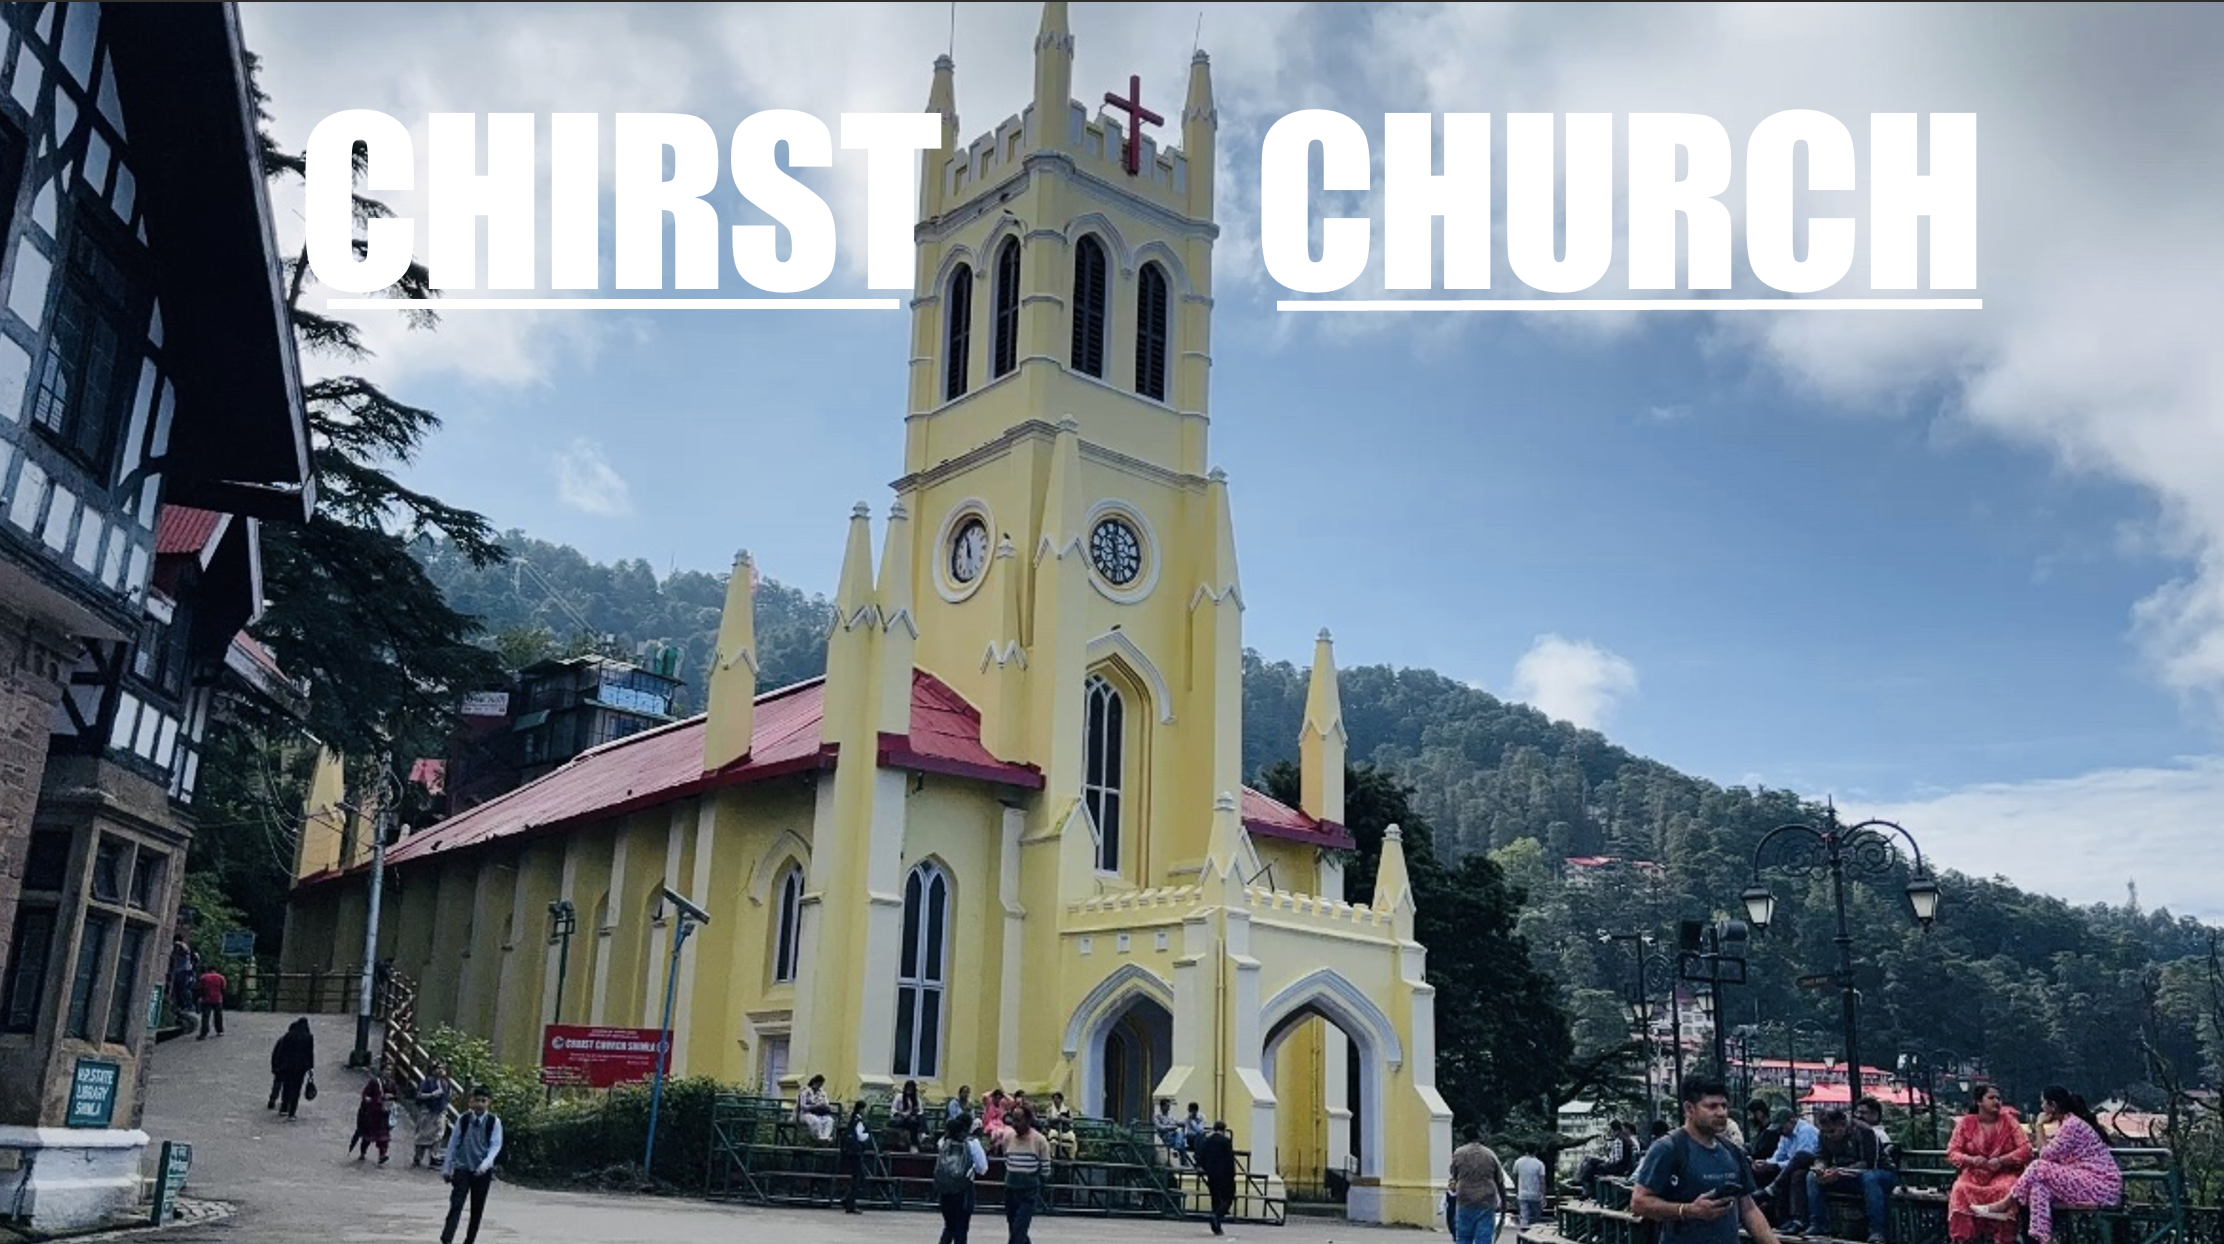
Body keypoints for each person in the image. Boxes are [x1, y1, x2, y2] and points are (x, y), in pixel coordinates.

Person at [1628, 1077, 1785, 1244]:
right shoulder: (1669, 1148)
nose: (1721, 1112)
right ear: (1689, 1109)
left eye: (1724, 1106)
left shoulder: (1732, 1151)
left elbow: (1748, 1208)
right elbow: (1639, 1202)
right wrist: (1687, 1210)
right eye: (1712, 1106)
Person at [1972, 1087, 2121, 1244]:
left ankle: (2005, 1204)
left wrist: (2039, 1126)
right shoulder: (2067, 1124)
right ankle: (2044, 1239)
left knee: (2038, 1166)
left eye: (2043, 1102)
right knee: (2039, 1187)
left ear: (2053, 1105)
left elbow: (2044, 1155)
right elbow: (2050, 1157)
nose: (2041, 1107)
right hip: (2087, 1182)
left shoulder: (2072, 1125)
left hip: (2101, 1185)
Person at [1947, 1083, 2031, 1244]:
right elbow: (1952, 1152)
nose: (1996, 1101)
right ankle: (1962, 1239)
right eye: (1991, 1098)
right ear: (1979, 1101)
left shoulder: (2009, 1121)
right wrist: (1971, 1160)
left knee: (2006, 1189)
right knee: (1959, 1190)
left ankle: (2004, 1239)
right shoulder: (1965, 1123)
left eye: (1998, 1098)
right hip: (1974, 1175)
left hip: (2004, 1173)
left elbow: (2025, 1149)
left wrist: (2002, 1160)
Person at [1805, 1106, 1893, 1244]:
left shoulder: (1864, 1131)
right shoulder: (1823, 1135)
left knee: (1870, 1178)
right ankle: (1818, 1224)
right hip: (1846, 1175)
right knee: (1811, 1177)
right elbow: (1821, 1156)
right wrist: (1820, 1169)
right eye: (1826, 1132)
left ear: (1842, 1124)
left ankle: (1877, 1231)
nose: (1829, 1135)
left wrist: (1839, 1172)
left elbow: (1869, 1163)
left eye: (1832, 1131)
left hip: (1880, 1174)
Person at [440, 1086, 503, 1244]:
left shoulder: (493, 1122)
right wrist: (447, 1168)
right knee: (456, 1204)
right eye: (477, 1100)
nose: (480, 1104)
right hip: (462, 1168)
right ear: (471, 1101)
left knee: (477, 1208)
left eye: (483, 1101)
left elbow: (495, 1146)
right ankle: (447, 1238)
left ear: (489, 1102)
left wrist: (485, 1165)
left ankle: (470, 1240)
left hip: (482, 1171)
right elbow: (453, 1144)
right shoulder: (464, 1119)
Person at [933, 1112, 989, 1244]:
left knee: (949, 1225)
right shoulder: (972, 1143)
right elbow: (983, 1168)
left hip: (945, 1188)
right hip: (964, 1189)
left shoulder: (943, 1142)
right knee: (961, 1228)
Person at [1447, 1122, 1508, 1244]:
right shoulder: (1489, 1154)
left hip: (1465, 1198)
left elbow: (1453, 1174)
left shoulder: (1458, 1153)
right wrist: (1504, 1202)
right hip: (1486, 1199)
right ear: (1478, 1136)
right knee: (1484, 1236)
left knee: (1463, 1236)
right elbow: (1500, 1181)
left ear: (1465, 1137)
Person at [1004, 1106, 1053, 1244]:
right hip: (1011, 1189)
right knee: (1014, 1229)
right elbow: (1006, 1159)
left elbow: (1045, 1169)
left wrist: (1038, 1182)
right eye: (1013, 1120)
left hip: (1028, 1192)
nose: (1015, 1124)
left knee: (1019, 1230)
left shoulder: (1039, 1141)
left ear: (1028, 1120)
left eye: (1018, 1120)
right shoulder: (1008, 1137)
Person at [1197, 1121, 1239, 1234]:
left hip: (1211, 1174)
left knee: (1215, 1198)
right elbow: (1230, 1159)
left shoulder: (1207, 1141)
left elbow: (1201, 1156)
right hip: (1224, 1175)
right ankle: (1217, 1216)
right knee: (1228, 1197)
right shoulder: (1226, 1142)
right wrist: (1233, 1174)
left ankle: (1217, 1226)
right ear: (1224, 1130)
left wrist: (1204, 1169)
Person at [268, 1018, 315, 1118]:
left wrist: (279, 1065)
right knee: (296, 1089)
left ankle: (284, 1107)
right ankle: (292, 1112)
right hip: (301, 1067)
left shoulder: (288, 1036)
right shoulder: (309, 1037)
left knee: (287, 1087)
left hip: (288, 1066)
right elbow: (309, 1053)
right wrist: (310, 1067)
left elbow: (282, 1051)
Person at [414, 1062, 452, 1167]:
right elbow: (419, 1095)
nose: (440, 1071)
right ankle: (418, 1156)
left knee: (438, 1136)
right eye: (438, 1068)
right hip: (428, 1111)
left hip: (440, 1112)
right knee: (422, 1135)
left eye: (443, 1068)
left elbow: (447, 1098)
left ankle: (433, 1157)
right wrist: (431, 1095)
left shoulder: (445, 1083)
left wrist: (445, 1109)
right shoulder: (427, 1082)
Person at [351, 1076, 394, 1163]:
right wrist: (368, 1099)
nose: (388, 1072)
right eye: (386, 1070)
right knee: (368, 1136)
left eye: (390, 1070)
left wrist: (391, 1097)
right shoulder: (374, 1082)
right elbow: (366, 1094)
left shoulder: (391, 1083)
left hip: (383, 1114)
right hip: (372, 1114)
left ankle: (382, 1155)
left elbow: (395, 1095)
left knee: (383, 1138)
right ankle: (363, 1152)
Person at [838, 1100, 871, 1213]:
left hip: (849, 1151)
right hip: (855, 1151)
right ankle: (850, 1203)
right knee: (858, 1178)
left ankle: (848, 1199)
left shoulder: (852, 1119)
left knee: (857, 1177)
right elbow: (860, 1135)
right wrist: (867, 1137)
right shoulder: (858, 1121)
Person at [1513, 1147, 1549, 1227]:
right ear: (1535, 1151)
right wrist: (1544, 1195)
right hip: (1536, 1195)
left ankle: (1523, 1233)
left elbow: (1515, 1178)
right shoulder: (1539, 1164)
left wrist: (1516, 1191)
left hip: (1522, 1194)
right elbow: (1542, 1181)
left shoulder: (1518, 1162)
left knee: (1524, 1217)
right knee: (1536, 1219)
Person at [796, 1074, 837, 1142]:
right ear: (814, 1083)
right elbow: (802, 1106)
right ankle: (819, 1137)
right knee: (815, 1121)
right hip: (805, 1114)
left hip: (819, 1114)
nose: (819, 1087)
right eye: (818, 1084)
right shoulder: (804, 1091)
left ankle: (825, 1137)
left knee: (829, 1120)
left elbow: (826, 1104)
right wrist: (813, 1107)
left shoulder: (822, 1092)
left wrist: (823, 1106)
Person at [892, 1079, 929, 1151]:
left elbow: (920, 1111)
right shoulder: (899, 1097)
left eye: (911, 1089)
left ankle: (924, 1134)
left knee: (918, 1119)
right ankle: (915, 1142)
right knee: (912, 1122)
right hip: (901, 1118)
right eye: (908, 1088)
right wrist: (902, 1114)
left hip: (912, 1118)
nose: (909, 1090)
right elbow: (893, 1110)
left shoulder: (916, 1099)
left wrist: (915, 1113)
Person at [195, 963, 228, 1039]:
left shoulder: (203, 977)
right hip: (218, 999)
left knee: (205, 1016)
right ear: (215, 970)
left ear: (208, 970)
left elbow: (200, 989)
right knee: (218, 1016)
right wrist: (223, 998)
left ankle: (204, 1033)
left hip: (207, 999)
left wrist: (200, 997)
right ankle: (219, 1031)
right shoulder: (221, 977)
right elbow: (223, 989)